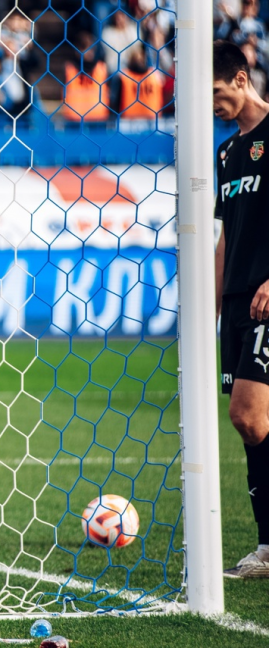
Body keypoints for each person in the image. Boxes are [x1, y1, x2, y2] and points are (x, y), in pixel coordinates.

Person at [213, 40, 269, 578]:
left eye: (215, 92)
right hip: (236, 301)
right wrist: (210, 306)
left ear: (241, 79)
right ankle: (268, 547)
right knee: (252, 427)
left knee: (248, 416)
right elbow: (225, 235)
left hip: (267, 296)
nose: (212, 104)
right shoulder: (227, 152)